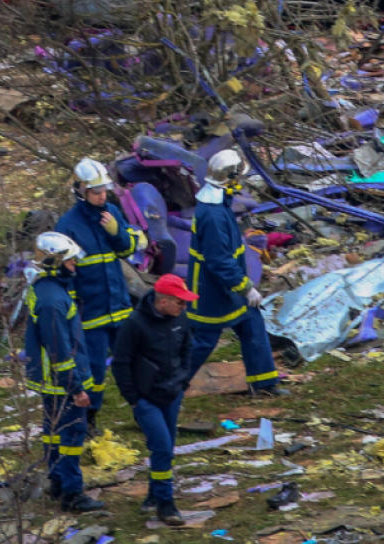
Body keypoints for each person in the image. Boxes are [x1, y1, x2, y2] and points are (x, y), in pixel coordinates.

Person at [186, 149, 286, 395]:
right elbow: (218, 260)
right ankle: (168, 386)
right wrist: (246, 287)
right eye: (238, 178)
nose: (240, 183)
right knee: (204, 341)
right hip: (211, 291)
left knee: (252, 325)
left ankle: (264, 384)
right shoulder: (212, 214)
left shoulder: (220, 204)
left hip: (227, 286)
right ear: (229, 179)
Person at [56, 157, 142, 434]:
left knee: (133, 363)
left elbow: (127, 250)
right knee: (93, 372)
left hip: (120, 306)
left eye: (104, 190)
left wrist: (117, 233)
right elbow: (63, 273)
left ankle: (143, 411)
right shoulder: (67, 225)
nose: (102, 196)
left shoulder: (112, 213)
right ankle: (89, 417)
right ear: (80, 190)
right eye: (95, 192)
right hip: (90, 312)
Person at [23, 232, 105, 513]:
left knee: (53, 432)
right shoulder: (52, 301)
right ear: (54, 262)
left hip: (52, 381)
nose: (74, 266)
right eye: (69, 262)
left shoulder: (46, 289)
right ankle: (72, 493)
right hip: (62, 382)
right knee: (72, 434)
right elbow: (59, 348)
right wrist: (76, 388)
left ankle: (57, 481)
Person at [111, 274, 195, 527]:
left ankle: (152, 494)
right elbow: (120, 363)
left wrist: (182, 381)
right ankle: (165, 503)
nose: (184, 307)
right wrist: (134, 399)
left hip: (172, 394)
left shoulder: (180, 319)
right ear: (164, 301)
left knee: (166, 449)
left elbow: (188, 350)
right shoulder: (135, 324)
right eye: (180, 302)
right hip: (147, 399)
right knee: (160, 446)